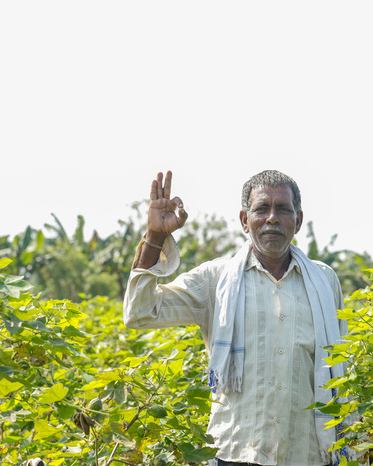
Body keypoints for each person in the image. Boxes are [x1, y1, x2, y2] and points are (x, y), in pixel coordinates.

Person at [123, 170, 360, 465]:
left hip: (308, 454)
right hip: (234, 453)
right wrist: (155, 237)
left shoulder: (324, 281)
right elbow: (140, 312)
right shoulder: (215, 279)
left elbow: (342, 367)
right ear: (244, 220)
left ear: (297, 221)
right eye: (261, 208)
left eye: (283, 209)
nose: (272, 218)